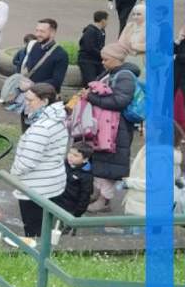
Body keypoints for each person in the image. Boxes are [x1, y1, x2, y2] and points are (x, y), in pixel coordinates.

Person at [79, 43, 140, 214]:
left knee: (110, 164)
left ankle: (105, 200)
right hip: (107, 126)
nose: (103, 62)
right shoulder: (111, 72)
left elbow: (120, 101)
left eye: (106, 59)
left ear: (117, 59)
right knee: (101, 161)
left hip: (117, 128)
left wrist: (91, 97)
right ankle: (98, 193)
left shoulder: (125, 77)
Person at [10, 83, 69, 239]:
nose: (26, 103)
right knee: (45, 228)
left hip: (35, 187)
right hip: (53, 182)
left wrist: (14, 172)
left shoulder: (41, 128)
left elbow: (27, 162)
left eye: (30, 100)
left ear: (44, 101)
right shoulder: (59, 120)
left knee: (34, 231)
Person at [18, 19, 69, 93]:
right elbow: (23, 64)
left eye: (42, 31)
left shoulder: (61, 54)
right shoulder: (34, 46)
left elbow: (56, 82)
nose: (38, 34)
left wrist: (32, 86)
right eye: (37, 30)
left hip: (45, 96)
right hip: (28, 93)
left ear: (52, 33)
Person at [52, 142, 94, 219]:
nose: (71, 156)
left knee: (63, 228)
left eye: (75, 155)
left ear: (85, 160)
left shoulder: (86, 176)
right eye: (70, 153)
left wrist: (77, 213)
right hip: (56, 201)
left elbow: (85, 195)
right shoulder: (63, 164)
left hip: (70, 208)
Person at [78, 11, 108, 85]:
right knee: (90, 82)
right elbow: (90, 48)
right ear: (103, 20)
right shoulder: (90, 31)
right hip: (88, 61)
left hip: (97, 61)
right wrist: (102, 55)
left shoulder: (102, 31)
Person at [117, 3, 146, 76]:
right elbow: (121, 42)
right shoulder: (129, 26)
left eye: (139, 14)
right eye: (134, 14)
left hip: (143, 61)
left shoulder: (153, 28)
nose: (135, 17)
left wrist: (132, 46)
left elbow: (150, 46)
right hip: (127, 58)